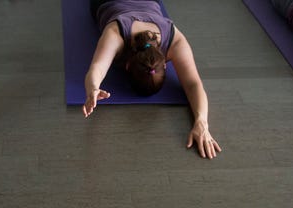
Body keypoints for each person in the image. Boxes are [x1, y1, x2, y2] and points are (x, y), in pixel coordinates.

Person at [83, 0, 221, 159]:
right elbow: (97, 69)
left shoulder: (173, 41)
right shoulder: (117, 33)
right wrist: (92, 87)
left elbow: (193, 84)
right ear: (127, 65)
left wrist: (202, 121)